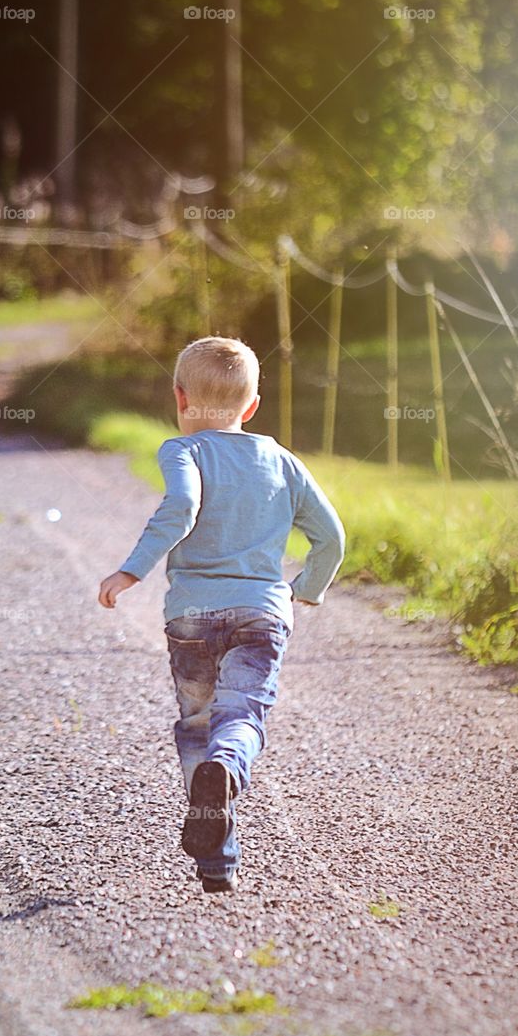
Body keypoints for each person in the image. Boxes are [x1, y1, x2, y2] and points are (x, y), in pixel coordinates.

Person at [98, 336, 345, 894]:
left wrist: (131, 571)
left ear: (180, 398)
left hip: (190, 618)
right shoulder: (282, 461)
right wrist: (304, 590)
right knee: (240, 719)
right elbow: (331, 537)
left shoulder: (183, 451)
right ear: (252, 406)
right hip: (261, 615)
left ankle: (216, 860)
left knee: (196, 727)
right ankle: (229, 766)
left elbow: (182, 507)